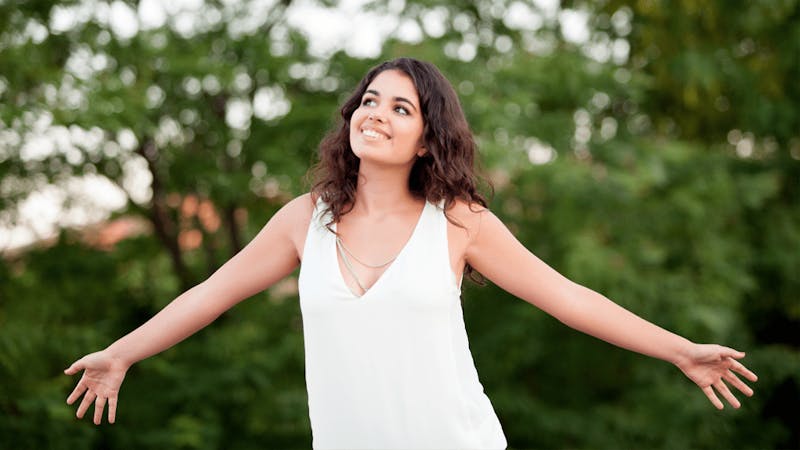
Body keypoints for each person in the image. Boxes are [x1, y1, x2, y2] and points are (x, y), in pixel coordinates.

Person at [65, 57, 758, 449]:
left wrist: (677, 349)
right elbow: (205, 296)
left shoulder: (459, 222)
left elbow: (568, 298)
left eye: (402, 108)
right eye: (371, 100)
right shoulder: (302, 221)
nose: (378, 113)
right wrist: (123, 352)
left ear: (427, 138)